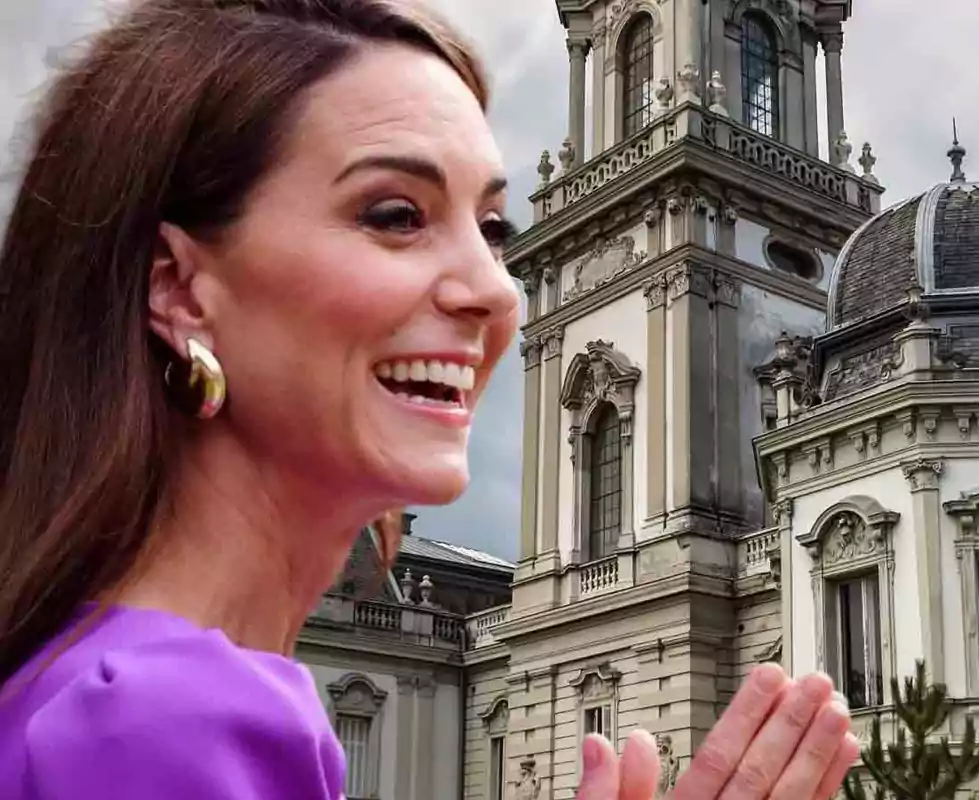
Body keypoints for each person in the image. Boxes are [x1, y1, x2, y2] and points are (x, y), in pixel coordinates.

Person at [0, 1, 859, 797]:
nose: (493, 290)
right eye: (395, 214)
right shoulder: (164, 723)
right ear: (181, 291)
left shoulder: (101, 679)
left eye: (491, 231)